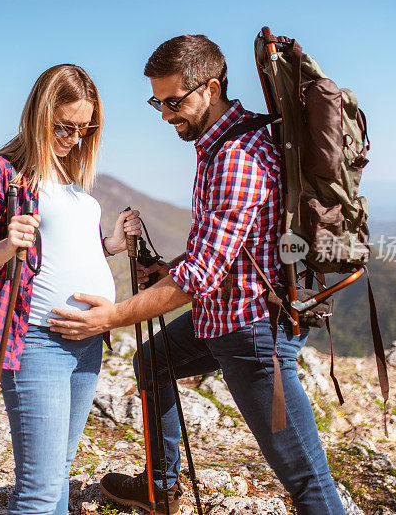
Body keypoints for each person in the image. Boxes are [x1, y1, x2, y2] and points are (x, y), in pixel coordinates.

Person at [47, 36, 346, 515]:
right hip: (223, 318)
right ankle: (160, 487)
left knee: (308, 483)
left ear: (210, 87)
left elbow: (200, 275)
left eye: (173, 101)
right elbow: (220, 249)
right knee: (152, 362)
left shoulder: (235, 157)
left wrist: (111, 317)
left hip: (252, 335)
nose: (165, 114)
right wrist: (166, 269)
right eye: (157, 102)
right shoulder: (220, 144)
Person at [0, 63, 141, 514]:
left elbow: (63, 249)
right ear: (40, 115)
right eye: (65, 127)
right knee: (39, 491)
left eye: (84, 128)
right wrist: (6, 243)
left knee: (59, 471)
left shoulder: (70, 176)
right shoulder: (2, 172)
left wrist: (112, 245)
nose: (74, 138)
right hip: (36, 341)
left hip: (87, 342)